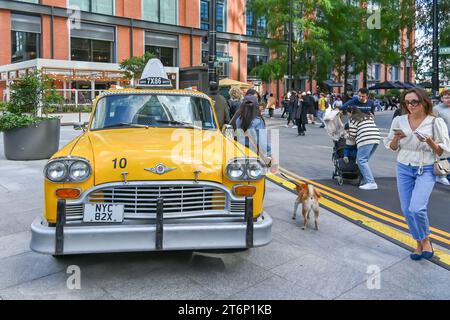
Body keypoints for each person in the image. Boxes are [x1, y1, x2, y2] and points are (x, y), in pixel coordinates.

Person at [384, 88, 450, 261]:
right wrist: (397, 138)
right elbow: (391, 147)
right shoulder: (399, 120)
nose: (411, 105)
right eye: (407, 102)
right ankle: (419, 242)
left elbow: (442, 151)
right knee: (407, 210)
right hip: (403, 167)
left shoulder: (435, 122)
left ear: (424, 102)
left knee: (416, 208)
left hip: (426, 168)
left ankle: (425, 239)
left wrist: (429, 141)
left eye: (415, 102)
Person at [347, 106, 381, 190]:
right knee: (364, 160)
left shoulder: (352, 119)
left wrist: (345, 134)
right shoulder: (367, 117)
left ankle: (371, 182)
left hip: (366, 139)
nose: (347, 115)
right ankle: (365, 180)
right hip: (376, 138)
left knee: (361, 160)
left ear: (350, 112)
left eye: (347, 113)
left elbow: (352, 135)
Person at [235, 95, 273, 166]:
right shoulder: (258, 121)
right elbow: (262, 143)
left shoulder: (238, 120)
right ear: (256, 107)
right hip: (255, 156)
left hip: (241, 153)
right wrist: (269, 154)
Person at [433, 89, 450, 185]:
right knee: (444, 156)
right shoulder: (437, 109)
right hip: (443, 135)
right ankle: (441, 176)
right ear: (442, 98)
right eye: (446, 97)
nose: (449, 99)